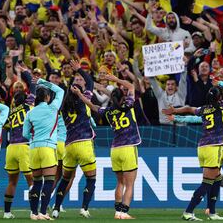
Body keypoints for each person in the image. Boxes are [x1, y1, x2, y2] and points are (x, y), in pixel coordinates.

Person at [164, 68, 223, 221]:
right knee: (207, 183)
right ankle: (188, 211)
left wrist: (175, 111)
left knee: (217, 178)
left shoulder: (204, 109)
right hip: (214, 147)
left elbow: (189, 109)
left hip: (202, 147)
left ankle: (212, 212)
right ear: (219, 98)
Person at [73, 73, 141, 219]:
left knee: (120, 182)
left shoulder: (108, 111)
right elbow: (131, 86)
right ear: (123, 96)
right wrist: (114, 79)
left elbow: (92, 105)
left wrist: (79, 94)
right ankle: (124, 212)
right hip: (129, 146)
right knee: (130, 184)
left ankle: (117, 211)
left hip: (115, 149)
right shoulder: (129, 104)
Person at [53, 60, 96, 219]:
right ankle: (84, 208)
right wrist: (80, 69)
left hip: (69, 145)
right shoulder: (85, 97)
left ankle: (56, 208)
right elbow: (90, 81)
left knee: (65, 179)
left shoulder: (64, 106)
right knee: (91, 179)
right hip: (84, 142)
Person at [22, 78, 64, 220]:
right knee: (49, 181)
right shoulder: (53, 108)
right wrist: (41, 81)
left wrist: (34, 139)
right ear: (47, 97)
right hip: (47, 148)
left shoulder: (30, 113)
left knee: (37, 182)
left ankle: (34, 213)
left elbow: (24, 134)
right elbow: (60, 90)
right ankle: (44, 212)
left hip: (33, 149)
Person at [3, 86, 35, 219]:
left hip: (11, 148)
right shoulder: (29, 109)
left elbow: (5, 126)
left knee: (12, 182)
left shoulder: (10, 112)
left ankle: (7, 213)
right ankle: (34, 212)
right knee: (32, 182)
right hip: (24, 146)